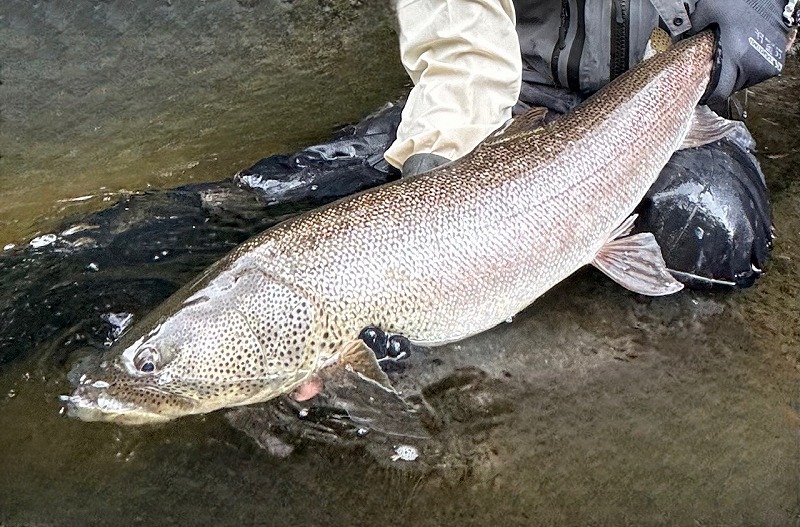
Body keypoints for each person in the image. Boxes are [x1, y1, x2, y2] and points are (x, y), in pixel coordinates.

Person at [385, 0, 798, 287]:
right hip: (520, 90)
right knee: (359, 179)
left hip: (669, 88)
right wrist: (446, 153)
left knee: (714, 231)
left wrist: (769, 11)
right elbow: (459, 37)